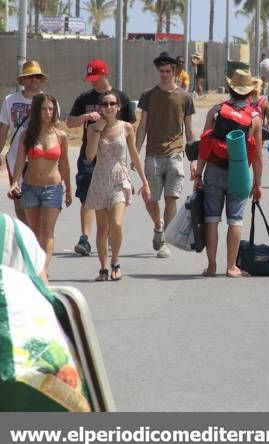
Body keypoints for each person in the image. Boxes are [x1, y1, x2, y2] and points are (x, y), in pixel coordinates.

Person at [197, 70, 263, 278]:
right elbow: (258, 155)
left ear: (230, 89)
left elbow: (204, 146)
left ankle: (211, 266)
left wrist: (198, 174)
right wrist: (257, 184)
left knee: (212, 218)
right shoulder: (254, 118)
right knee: (235, 219)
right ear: (249, 91)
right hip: (240, 172)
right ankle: (231, 267)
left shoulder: (216, 111)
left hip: (214, 169)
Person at [67, 59, 136, 257]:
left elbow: (131, 126)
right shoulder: (84, 99)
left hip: (114, 158)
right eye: (90, 78)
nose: (93, 82)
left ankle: (110, 234)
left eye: (96, 78)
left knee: (115, 197)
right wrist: (86, 118)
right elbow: (69, 122)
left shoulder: (119, 97)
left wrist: (131, 155)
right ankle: (85, 238)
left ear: (106, 74)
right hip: (90, 153)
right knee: (87, 196)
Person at [85, 92, 151, 281]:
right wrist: (98, 129)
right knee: (102, 229)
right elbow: (90, 156)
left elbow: (135, 155)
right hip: (99, 181)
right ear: (100, 107)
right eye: (105, 104)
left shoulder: (127, 128)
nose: (109, 107)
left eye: (112, 103)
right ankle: (104, 268)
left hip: (120, 181)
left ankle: (115, 261)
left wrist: (144, 182)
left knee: (116, 223)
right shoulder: (93, 128)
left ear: (119, 106)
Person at [136, 52, 196, 259]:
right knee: (151, 199)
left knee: (171, 198)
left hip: (175, 155)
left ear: (174, 72)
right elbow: (142, 126)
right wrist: (135, 153)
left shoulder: (185, 97)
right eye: (161, 71)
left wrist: (193, 160)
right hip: (152, 154)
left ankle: (165, 242)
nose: (164, 75)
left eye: (168, 71)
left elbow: (189, 130)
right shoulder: (148, 95)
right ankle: (158, 225)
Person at [8, 94, 72, 279]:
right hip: (30, 187)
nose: (48, 112)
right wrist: (14, 182)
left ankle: (43, 270)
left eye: (51, 109)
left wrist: (68, 188)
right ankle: (36, 266)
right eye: (44, 109)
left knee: (47, 230)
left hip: (53, 188)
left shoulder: (60, 136)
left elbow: (65, 165)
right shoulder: (26, 135)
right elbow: (20, 160)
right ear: (37, 111)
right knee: (34, 231)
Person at [0, 61, 49, 223]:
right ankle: (27, 233)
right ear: (23, 80)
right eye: (29, 76)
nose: (33, 80)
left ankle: (38, 236)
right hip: (15, 158)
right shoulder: (10, 100)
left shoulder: (48, 103)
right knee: (19, 200)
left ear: (41, 80)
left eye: (37, 76)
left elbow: (53, 133)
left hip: (40, 158)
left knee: (41, 201)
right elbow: (3, 131)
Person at [0, 212, 47, 282]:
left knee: (46, 231)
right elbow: (43, 287)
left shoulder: (17, 231)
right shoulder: (18, 230)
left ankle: (45, 267)